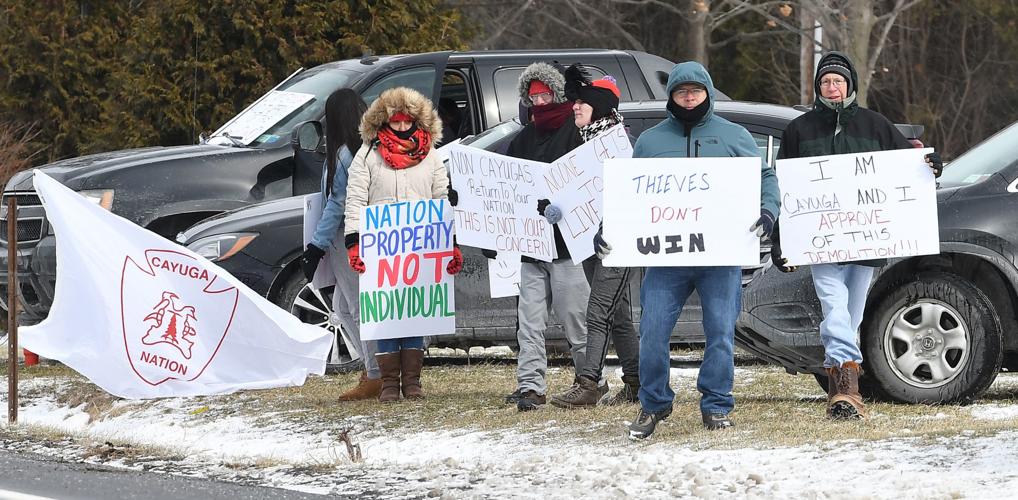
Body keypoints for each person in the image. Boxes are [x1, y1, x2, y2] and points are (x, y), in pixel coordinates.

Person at [770, 51, 943, 420]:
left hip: (866, 238)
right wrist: (781, 238)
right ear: (817, 87)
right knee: (833, 305)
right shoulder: (799, 130)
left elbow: (905, 168)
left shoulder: (875, 125)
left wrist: (929, 165)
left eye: (838, 81)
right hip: (820, 241)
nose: (832, 87)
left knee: (851, 313)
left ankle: (841, 388)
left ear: (850, 85)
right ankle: (847, 386)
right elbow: (785, 188)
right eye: (825, 82)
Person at [623, 61, 781, 439]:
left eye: (696, 90)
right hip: (666, 257)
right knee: (653, 329)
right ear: (672, 96)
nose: (689, 97)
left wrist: (767, 211)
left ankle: (716, 404)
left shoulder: (734, 135)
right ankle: (654, 403)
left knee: (720, 332)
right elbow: (629, 194)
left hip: (720, 257)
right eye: (681, 91)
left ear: (708, 92)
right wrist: (607, 228)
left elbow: (764, 176)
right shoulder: (650, 141)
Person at [343, 86, 462, 402]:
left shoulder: (431, 154)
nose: (399, 123)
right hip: (381, 249)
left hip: (420, 247)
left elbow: (441, 198)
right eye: (393, 117)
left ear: (416, 118)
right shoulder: (367, 154)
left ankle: (412, 383)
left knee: (413, 313)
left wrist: (451, 243)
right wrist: (354, 243)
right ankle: (388, 384)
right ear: (383, 119)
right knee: (385, 316)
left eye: (405, 117)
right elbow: (355, 199)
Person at [548, 64, 641, 408]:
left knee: (598, 311)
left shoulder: (619, 145)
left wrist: (609, 226)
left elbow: (629, 197)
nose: (574, 106)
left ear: (599, 106)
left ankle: (589, 383)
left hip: (616, 244)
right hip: (588, 242)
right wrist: (556, 208)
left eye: (581, 102)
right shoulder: (584, 141)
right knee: (618, 316)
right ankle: (636, 382)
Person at [504, 62, 592, 412]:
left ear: (557, 93)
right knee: (529, 322)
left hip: (568, 246)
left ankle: (590, 378)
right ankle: (530, 387)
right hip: (532, 246)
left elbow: (588, 181)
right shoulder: (522, 138)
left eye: (544, 93)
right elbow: (508, 186)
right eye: (532, 94)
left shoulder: (577, 131)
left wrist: (563, 207)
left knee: (576, 318)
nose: (538, 100)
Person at [299, 89, 378, 401]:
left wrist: (316, 246)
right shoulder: (366, 149)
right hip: (358, 236)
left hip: (347, 239)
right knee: (343, 307)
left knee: (357, 308)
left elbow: (337, 203)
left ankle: (376, 374)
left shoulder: (346, 154)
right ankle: (374, 368)